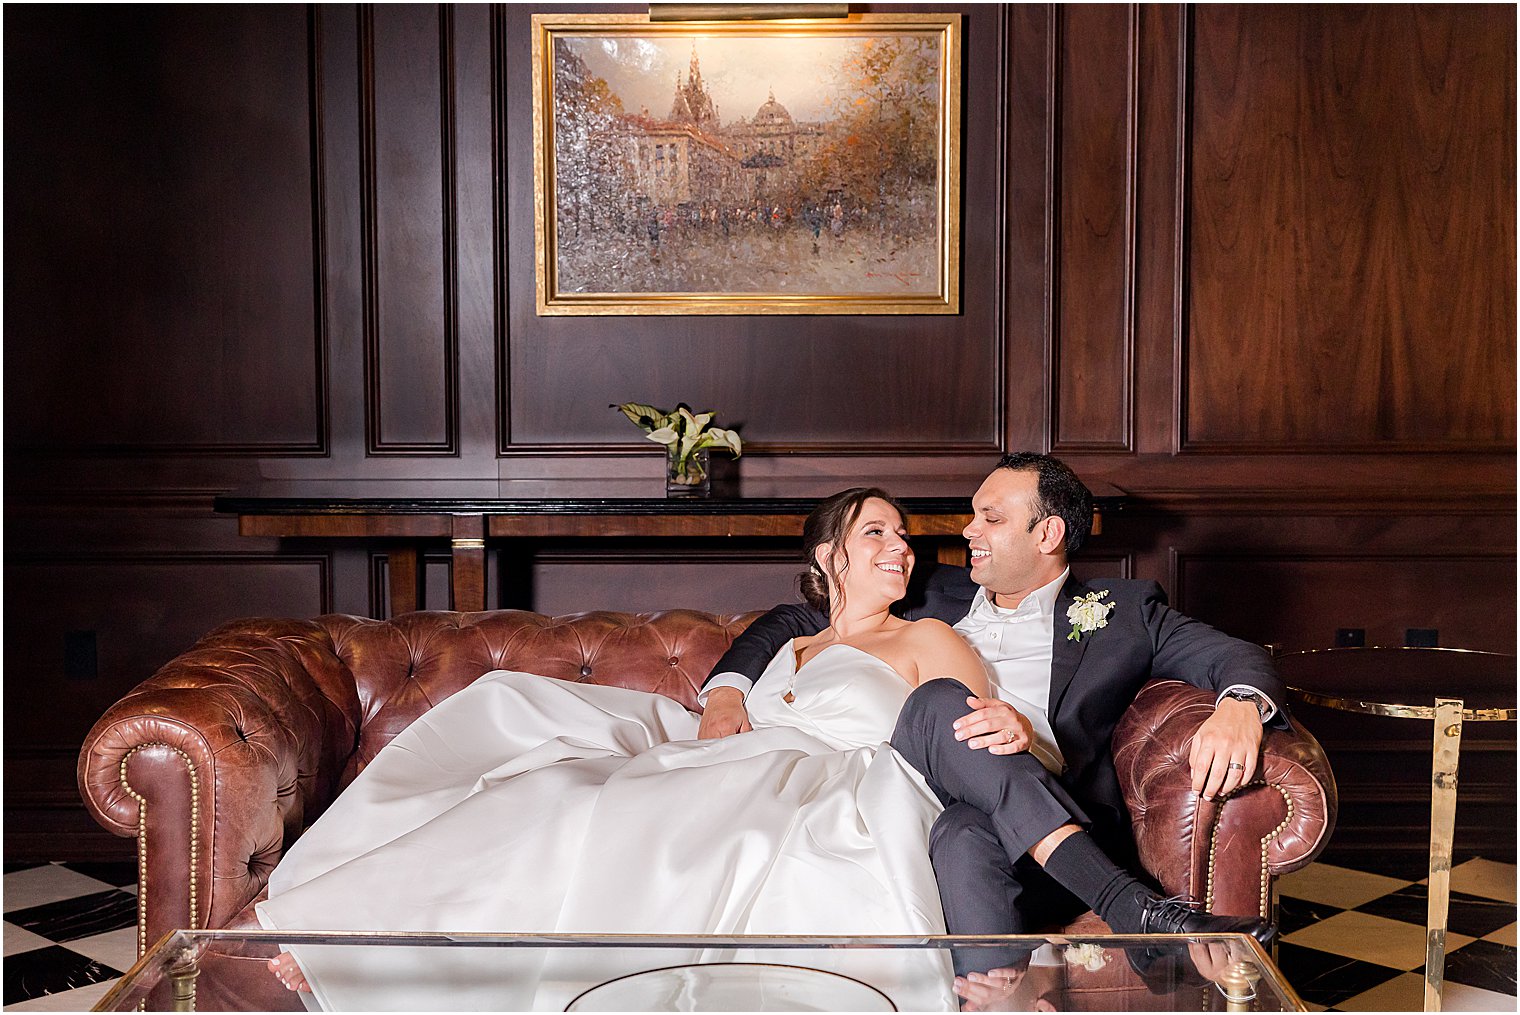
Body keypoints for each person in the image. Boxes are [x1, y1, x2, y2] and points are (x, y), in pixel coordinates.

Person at [258, 488, 988, 1011]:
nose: (901, 547)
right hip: (726, 762)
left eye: (904, 537)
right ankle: (366, 942)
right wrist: (731, 699)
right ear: (830, 556)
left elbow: (974, 734)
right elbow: (733, 676)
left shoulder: (928, 636)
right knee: (549, 790)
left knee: (631, 817)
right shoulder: (792, 638)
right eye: (878, 533)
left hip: (819, 783)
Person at [699, 453, 1281, 987]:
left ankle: (998, 995)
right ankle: (1131, 906)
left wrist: (1241, 705)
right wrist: (728, 690)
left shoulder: (1123, 612)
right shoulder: (932, 592)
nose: (967, 532)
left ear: (1048, 533)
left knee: (961, 835)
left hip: (1032, 829)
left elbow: (1234, 655)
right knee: (938, 705)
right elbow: (797, 615)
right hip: (913, 785)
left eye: (990, 519)